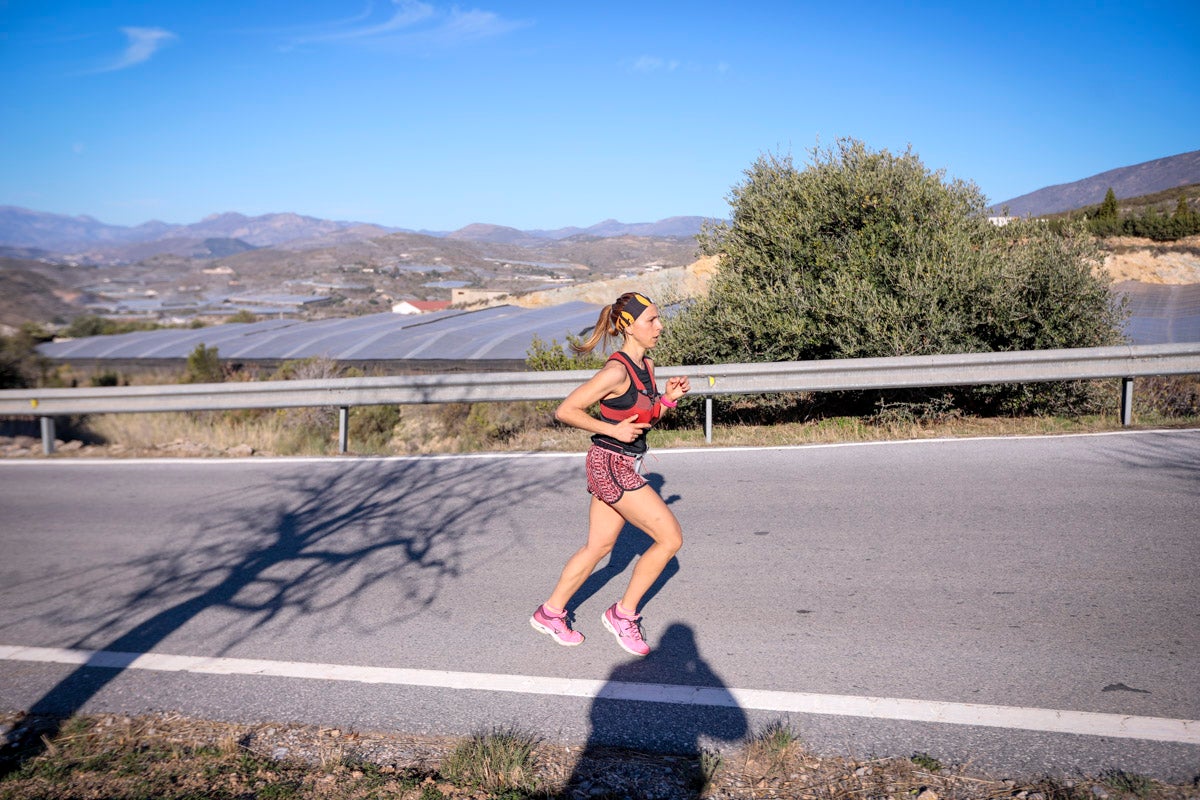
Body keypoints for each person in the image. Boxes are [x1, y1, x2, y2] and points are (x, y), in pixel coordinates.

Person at [530, 292, 690, 656]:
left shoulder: (646, 368)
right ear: (629, 327)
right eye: (651, 320)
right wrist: (612, 429)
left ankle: (550, 613)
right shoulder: (615, 371)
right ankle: (623, 614)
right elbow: (566, 410)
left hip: (622, 461)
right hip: (611, 463)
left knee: (599, 546)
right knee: (670, 539)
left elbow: (645, 420)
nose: (660, 326)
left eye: (658, 319)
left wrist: (667, 400)